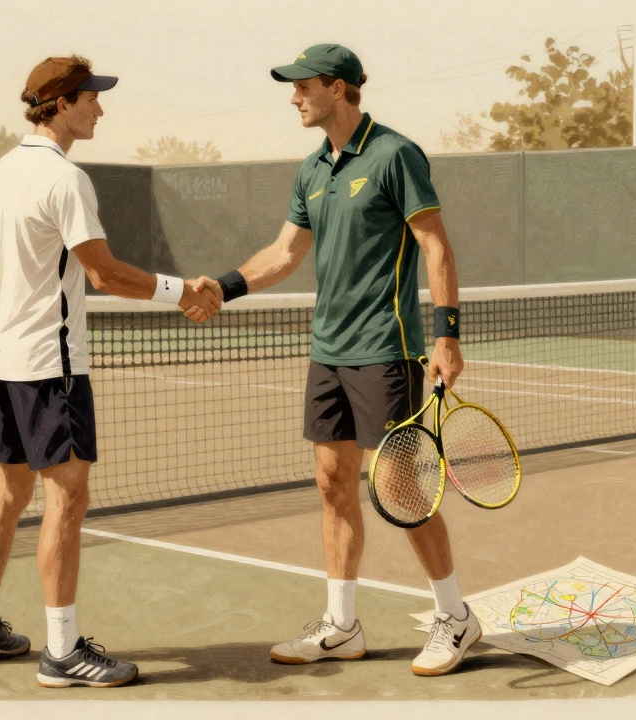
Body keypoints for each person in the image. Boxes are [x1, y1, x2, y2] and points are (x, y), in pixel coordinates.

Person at [192, 43, 479, 676]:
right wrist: (223, 286)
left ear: (341, 88)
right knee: (332, 484)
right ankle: (342, 625)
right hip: (328, 351)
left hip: (385, 347)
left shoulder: (395, 154)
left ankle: (456, 617)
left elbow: (435, 245)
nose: (293, 96)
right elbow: (284, 252)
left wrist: (447, 335)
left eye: (303, 86)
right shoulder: (312, 169)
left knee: (401, 488)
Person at [0, 54, 221, 689]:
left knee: (9, 492)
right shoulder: (65, 181)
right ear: (63, 103)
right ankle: (63, 651)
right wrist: (181, 290)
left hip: (8, 368)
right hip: (54, 369)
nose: (101, 107)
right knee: (66, 498)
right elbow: (104, 274)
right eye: (92, 97)